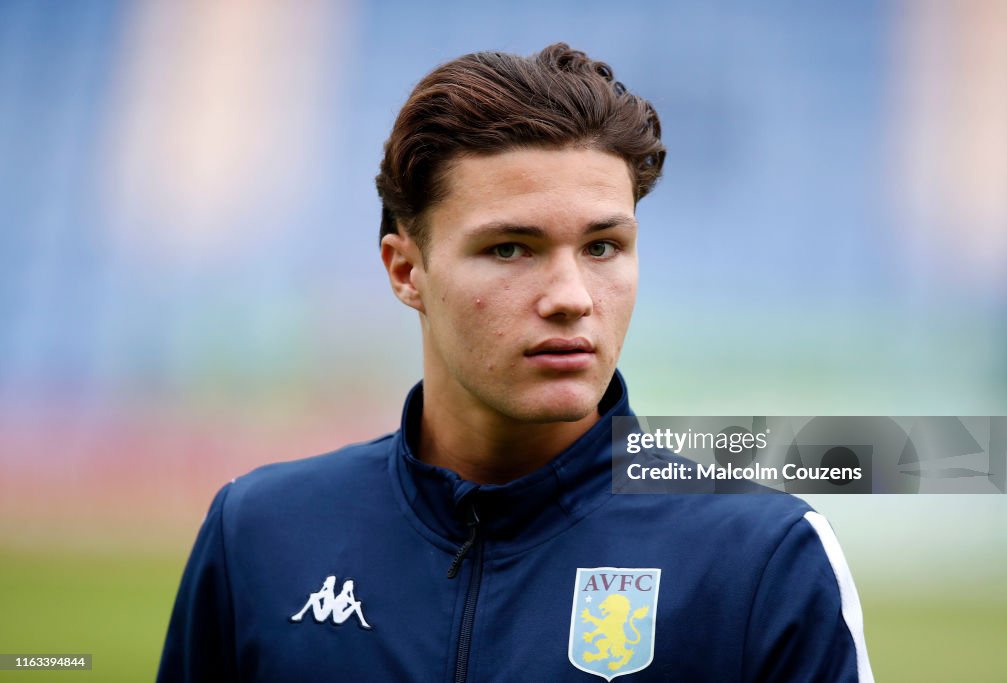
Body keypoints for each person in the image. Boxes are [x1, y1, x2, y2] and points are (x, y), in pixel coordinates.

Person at [158, 43, 874, 682]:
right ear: (406, 270)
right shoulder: (260, 531)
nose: (571, 298)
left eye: (602, 247)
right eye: (510, 248)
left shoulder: (763, 559)